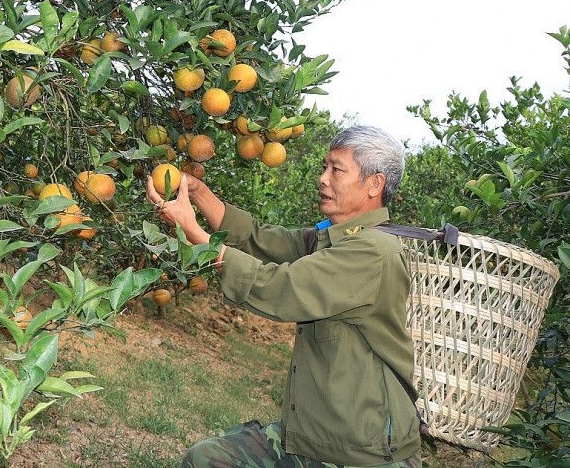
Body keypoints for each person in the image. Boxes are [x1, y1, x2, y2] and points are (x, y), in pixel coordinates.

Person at [145, 125, 421, 468]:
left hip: (363, 453)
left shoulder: (372, 251)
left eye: (336, 170)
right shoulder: (338, 238)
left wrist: (192, 230)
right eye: (324, 167)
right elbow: (263, 242)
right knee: (207, 460)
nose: (322, 179)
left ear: (374, 185)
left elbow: (282, 289)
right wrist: (198, 193)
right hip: (313, 438)